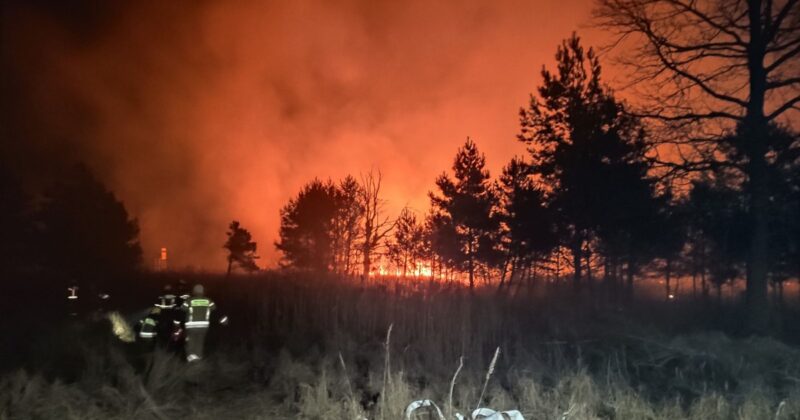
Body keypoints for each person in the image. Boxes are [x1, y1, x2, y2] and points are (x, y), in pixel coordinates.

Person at [180, 284, 219, 362]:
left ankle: (191, 362)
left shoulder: (189, 300)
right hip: (204, 327)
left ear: (194, 291)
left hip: (191, 327)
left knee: (190, 343)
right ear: (203, 292)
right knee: (200, 343)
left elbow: (182, 309)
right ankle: (198, 361)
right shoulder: (208, 300)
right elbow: (214, 309)